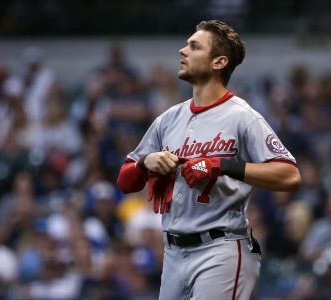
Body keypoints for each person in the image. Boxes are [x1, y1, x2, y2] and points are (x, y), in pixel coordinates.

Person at [117, 20, 301, 300]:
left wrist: (224, 165)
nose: (182, 51)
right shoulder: (168, 119)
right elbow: (125, 181)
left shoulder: (242, 116)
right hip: (173, 252)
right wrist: (144, 164)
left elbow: (289, 176)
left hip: (221, 249)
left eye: (194, 46)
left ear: (219, 61)